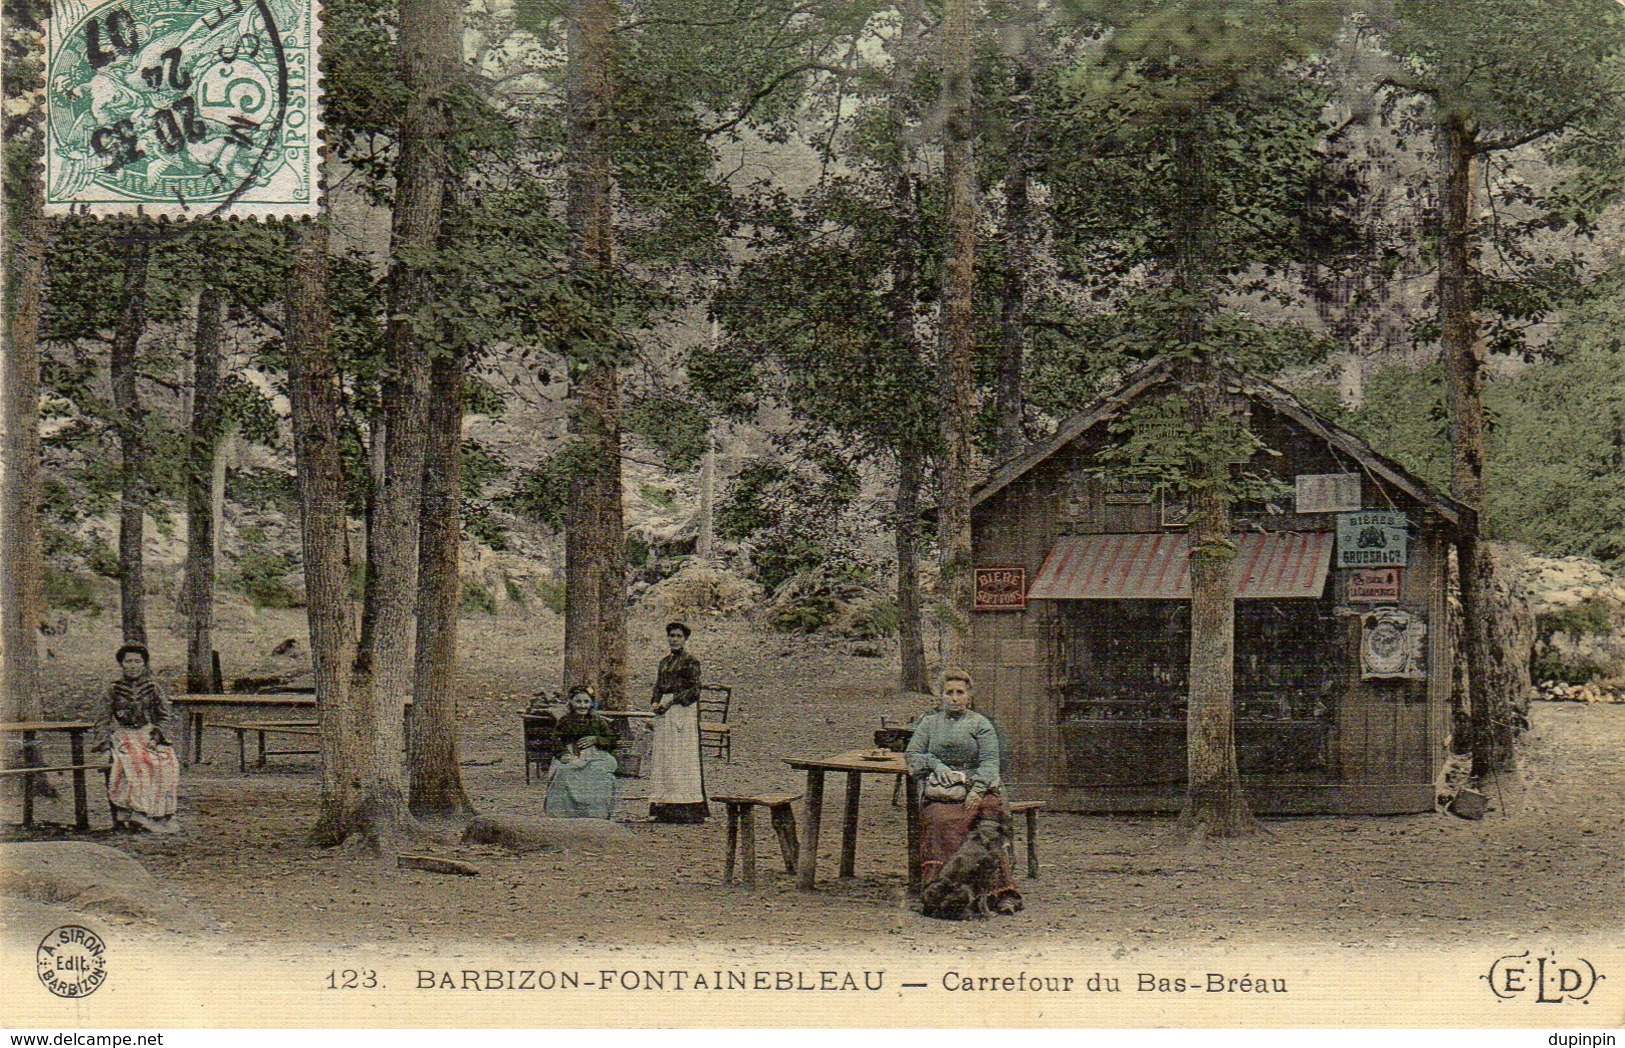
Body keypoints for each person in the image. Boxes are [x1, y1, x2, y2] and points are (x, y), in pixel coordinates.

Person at [905, 668, 1021, 915]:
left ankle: (999, 893)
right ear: (941, 695)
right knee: (941, 820)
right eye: (949, 693)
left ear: (970, 695)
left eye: (960, 692)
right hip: (944, 791)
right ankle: (941, 891)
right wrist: (936, 765)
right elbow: (912, 755)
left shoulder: (981, 724)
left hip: (981, 787)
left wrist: (977, 790)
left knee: (989, 825)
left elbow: (990, 763)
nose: (954, 698)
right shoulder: (929, 723)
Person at [94, 643, 181, 834]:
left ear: (144, 664)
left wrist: (157, 736)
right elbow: (102, 720)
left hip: (147, 733)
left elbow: (164, 716)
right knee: (136, 761)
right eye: (128, 661)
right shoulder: (113, 689)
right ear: (121, 664)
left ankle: (160, 815)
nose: (133, 665)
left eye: (137, 661)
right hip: (124, 734)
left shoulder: (152, 687)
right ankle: (134, 813)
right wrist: (105, 745)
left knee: (166, 761)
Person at [647, 621, 708, 823]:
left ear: (685, 639)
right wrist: (655, 702)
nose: (674, 639)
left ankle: (686, 806)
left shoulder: (691, 661)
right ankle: (664, 805)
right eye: (671, 636)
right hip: (664, 711)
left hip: (682, 710)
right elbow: (658, 686)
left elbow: (694, 690)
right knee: (664, 756)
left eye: (678, 636)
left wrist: (672, 701)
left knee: (681, 756)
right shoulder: (664, 662)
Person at [544, 687, 620, 820]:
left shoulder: (598, 721)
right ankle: (563, 815)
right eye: (578, 701)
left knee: (601, 774)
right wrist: (564, 755)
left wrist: (597, 739)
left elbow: (612, 740)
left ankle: (595, 815)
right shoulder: (565, 721)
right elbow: (555, 741)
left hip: (595, 756)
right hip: (571, 755)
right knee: (564, 772)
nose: (582, 705)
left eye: (586, 701)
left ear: (591, 704)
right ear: (571, 703)